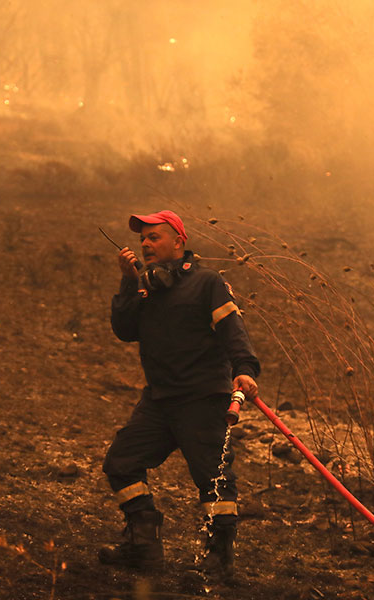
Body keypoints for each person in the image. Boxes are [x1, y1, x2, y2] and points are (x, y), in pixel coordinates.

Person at [98, 210, 260, 576]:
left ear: (179, 242)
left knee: (214, 481)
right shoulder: (146, 285)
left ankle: (220, 562)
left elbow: (234, 331)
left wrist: (245, 371)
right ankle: (144, 547)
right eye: (143, 239)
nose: (145, 244)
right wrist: (128, 282)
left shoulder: (208, 283)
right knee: (121, 463)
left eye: (154, 237)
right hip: (159, 400)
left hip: (203, 399)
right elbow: (124, 330)